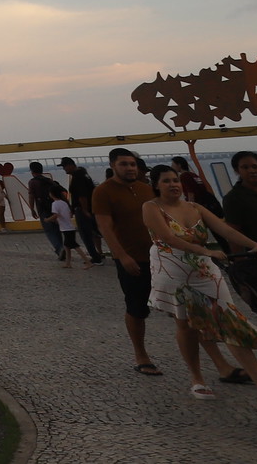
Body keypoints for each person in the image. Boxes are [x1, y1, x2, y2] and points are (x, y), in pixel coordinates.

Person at [142, 164, 257, 400]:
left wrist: (255, 245)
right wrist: (205, 250)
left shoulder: (195, 207)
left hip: (204, 270)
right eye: (166, 181)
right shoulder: (151, 207)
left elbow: (224, 229)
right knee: (187, 325)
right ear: (156, 185)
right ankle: (197, 378)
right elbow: (168, 238)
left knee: (227, 319)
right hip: (174, 271)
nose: (173, 184)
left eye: (176, 180)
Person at [95, 148, 169, 376]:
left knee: (179, 307)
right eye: (124, 164)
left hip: (159, 257)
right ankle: (141, 355)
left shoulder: (146, 189)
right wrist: (122, 256)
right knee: (137, 309)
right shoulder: (103, 192)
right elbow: (105, 227)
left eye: (132, 164)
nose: (130, 168)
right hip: (132, 259)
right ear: (113, 165)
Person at [60, 156, 105, 263]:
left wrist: (84, 210)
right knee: (96, 231)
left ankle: (96, 257)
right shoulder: (84, 174)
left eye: (65, 166)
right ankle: (99, 253)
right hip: (91, 207)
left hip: (82, 209)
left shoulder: (77, 177)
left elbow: (82, 195)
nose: (64, 169)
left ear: (71, 165)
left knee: (85, 234)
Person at [27, 161, 66, 262]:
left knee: (49, 231)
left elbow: (31, 196)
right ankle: (61, 248)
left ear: (32, 171)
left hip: (43, 209)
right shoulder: (49, 180)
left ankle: (59, 249)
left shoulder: (32, 182)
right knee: (57, 230)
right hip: (54, 208)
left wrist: (32, 209)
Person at [50, 192, 81, 267]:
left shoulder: (55, 204)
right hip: (69, 227)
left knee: (74, 246)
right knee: (67, 246)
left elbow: (56, 215)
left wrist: (47, 219)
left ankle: (87, 261)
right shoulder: (64, 203)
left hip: (66, 229)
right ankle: (68, 263)